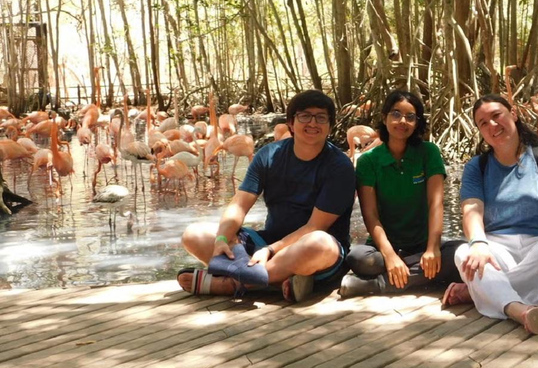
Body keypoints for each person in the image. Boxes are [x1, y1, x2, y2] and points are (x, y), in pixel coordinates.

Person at [177, 90, 356, 302]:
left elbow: (314, 227)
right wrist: (223, 238)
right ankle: (279, 279)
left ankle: (234, 284)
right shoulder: (269, 155)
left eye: (321, 117)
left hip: (317, 251)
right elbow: (240, 204)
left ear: (330, 125)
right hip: (267, 242)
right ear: (291, 122)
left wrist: (270, 251)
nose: (313, 123)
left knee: (318, 244)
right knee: (194, 234)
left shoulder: (340, 167)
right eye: (305, 116)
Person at [443, 94, 538, 334]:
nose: (492, 125)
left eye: (496, 115)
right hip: (499, 249)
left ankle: (479, 291)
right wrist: (478, 243)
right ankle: (519, 311)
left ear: (514, 114)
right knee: (465, 252)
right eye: (483, 123)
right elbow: (471, 209)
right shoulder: (476, 166)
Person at [341, 90, 462, 297]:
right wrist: (389, 255)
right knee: (360, 259)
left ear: (417, 122)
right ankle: (419, 273)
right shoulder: (368, 161)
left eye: (410, 117)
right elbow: (370, 215)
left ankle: (376, 285)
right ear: (384, 117)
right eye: (395, 114)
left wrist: (432, 248)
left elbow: (436, 203)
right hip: (384, 246)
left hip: (423, 243)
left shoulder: (429, 152)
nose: (402, 121)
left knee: (461, 254)